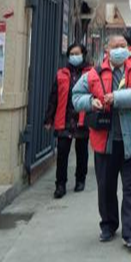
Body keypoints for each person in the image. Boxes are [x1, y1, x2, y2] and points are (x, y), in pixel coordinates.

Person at [72, 34, 131, 252]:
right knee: (106, 188)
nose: (120, 49)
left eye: (123, 46)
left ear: (128, 49)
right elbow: (76, 96)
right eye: (115, 46)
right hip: (105, 141)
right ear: (107, 50)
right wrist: (91, 102)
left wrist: (117, 98)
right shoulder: (94, 74)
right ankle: (108, 225)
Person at [44, 43, 92, 199]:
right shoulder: (61, 74)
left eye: (77, 53)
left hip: (82, 118)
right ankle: (60, 184)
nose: (74, 56)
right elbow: (54, 97)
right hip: (64, 118)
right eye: (72, 54)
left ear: (83, 55)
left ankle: (80, 179)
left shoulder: (90, 73)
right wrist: (49, 118)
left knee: (82, 152)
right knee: (62, 152)